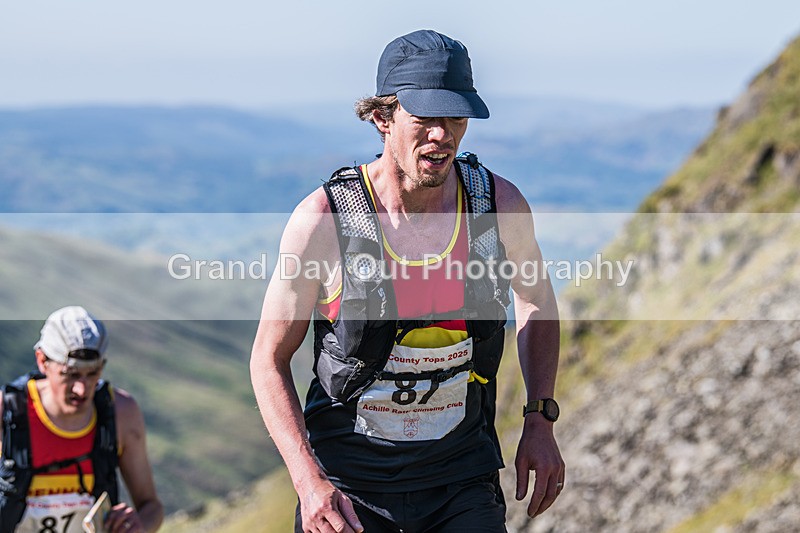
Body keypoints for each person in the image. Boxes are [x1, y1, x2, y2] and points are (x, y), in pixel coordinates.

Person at [251, 29, 564, 533]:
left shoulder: (498, 207)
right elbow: (268, 358)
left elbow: (536, 302)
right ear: (382, 117)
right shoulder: (323, 221)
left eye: (456, 118)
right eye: (424, 120)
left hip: (462, 481)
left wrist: (539, 419)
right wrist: (308, 482)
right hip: (351, 491)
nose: (442, 136)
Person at [0, 306, 163, 533]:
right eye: (71, 374)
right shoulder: (7, 413)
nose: (82, 389)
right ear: (42, 360)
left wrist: (138, 526)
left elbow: (151, 507)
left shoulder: (120, 412)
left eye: (93, 374)